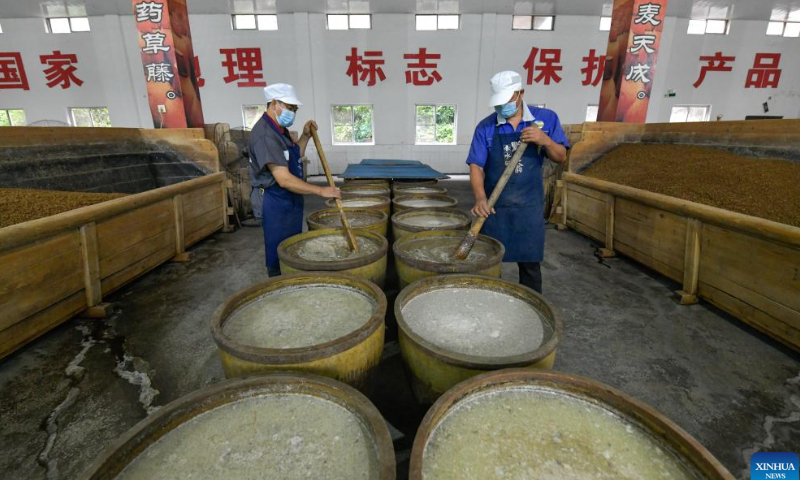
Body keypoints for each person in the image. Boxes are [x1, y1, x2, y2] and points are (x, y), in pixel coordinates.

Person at [466, 71, 569, 293]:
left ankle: (531, 305)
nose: (502, 106)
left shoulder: (545, 119)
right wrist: (480, 197)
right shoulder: (486, 127)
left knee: (530, 266)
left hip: (528, 208)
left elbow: (561, 157)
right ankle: (491, 303)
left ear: (520, 93)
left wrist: (545, 140)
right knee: (490, 264)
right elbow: (476, 166)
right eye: (498, 103)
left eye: (507, 100)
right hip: (494, 208)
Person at [248, 83, 340, 277]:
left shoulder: (279, 130)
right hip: (274, 200)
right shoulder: (265, 135)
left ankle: (292, 277)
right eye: (290, 108)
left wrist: (306, 136)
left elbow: (294, 156)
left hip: (288, 199)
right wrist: (320, 190)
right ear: (275, 104)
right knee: (278, 251)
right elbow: (283, 179)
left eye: (295, 109)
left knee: (292, 246)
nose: (293, 113)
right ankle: (279, 282)